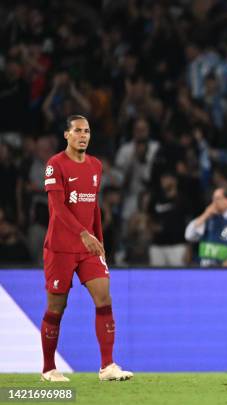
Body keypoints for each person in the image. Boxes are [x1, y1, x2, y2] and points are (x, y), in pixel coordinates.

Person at [41, 115, 133, 382]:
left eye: (87, 131)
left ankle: (107, 366)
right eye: (78, 131)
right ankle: (48, 368)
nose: (83, 135)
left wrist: (98, 241)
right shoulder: (54, 164)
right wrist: (83, 234)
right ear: (67, 135)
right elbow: (58, 209)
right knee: (56, 307)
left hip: (88, 246)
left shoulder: (95, 166)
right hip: (60, 247)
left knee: (104, 298)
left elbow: (93, 207)